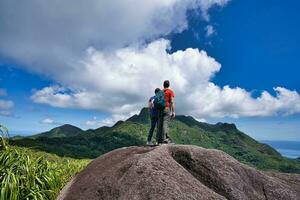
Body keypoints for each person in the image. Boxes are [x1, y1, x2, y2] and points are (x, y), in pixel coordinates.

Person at [156, 80, 175, 144]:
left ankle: (159, 140)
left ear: (163, 85)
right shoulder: (170, 91)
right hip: (166, 108)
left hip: (159, 110)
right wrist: (173, 112)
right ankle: (165, 140)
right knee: (165, 124)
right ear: (169, 85)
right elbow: (172, 102)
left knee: (159, 124)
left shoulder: (159, 92)